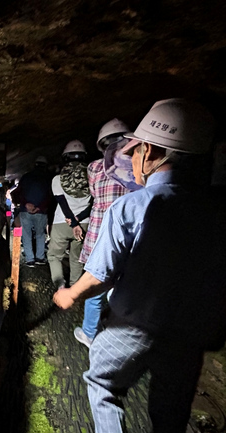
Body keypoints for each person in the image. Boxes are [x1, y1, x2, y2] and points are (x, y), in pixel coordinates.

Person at [53, 99, 226, 433]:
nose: (134, 160)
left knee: (102, 385)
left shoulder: (133, 205)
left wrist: (70, 293)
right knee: (172, 408)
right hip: (189, 331)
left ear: (152, 152)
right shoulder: (225, 213)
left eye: (137, 151)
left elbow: (102, 273)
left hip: (132, 325)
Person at [74, 119, 138, 347]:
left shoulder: (94, 168)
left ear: (102, 145)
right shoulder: (137, 166)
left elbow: (95, 195)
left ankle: (89, 333)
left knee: (95, 285)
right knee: (124, 286)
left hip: (100, 234)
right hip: (131, 236)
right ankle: (120, 334)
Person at [48, 140, 92, 290]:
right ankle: (75, 287)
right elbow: (93, 204)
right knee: (76, 258)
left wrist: (73, 222)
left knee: (54, 256)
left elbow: (62, 203)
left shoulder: (57, 179)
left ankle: (60, 286)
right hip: (84, 223)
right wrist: (78, 220)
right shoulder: (92, 178)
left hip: (62, 222)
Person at [13, 156, 53, 267]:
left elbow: (17, 193)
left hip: (25, 211)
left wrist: (26, 204)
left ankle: (30, 259)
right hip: (41, 212)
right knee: (40, 235)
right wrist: (40, 207)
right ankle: (40, 258)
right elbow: (50, 195)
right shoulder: (48, 178)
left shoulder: (26, 177)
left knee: (26, 234)